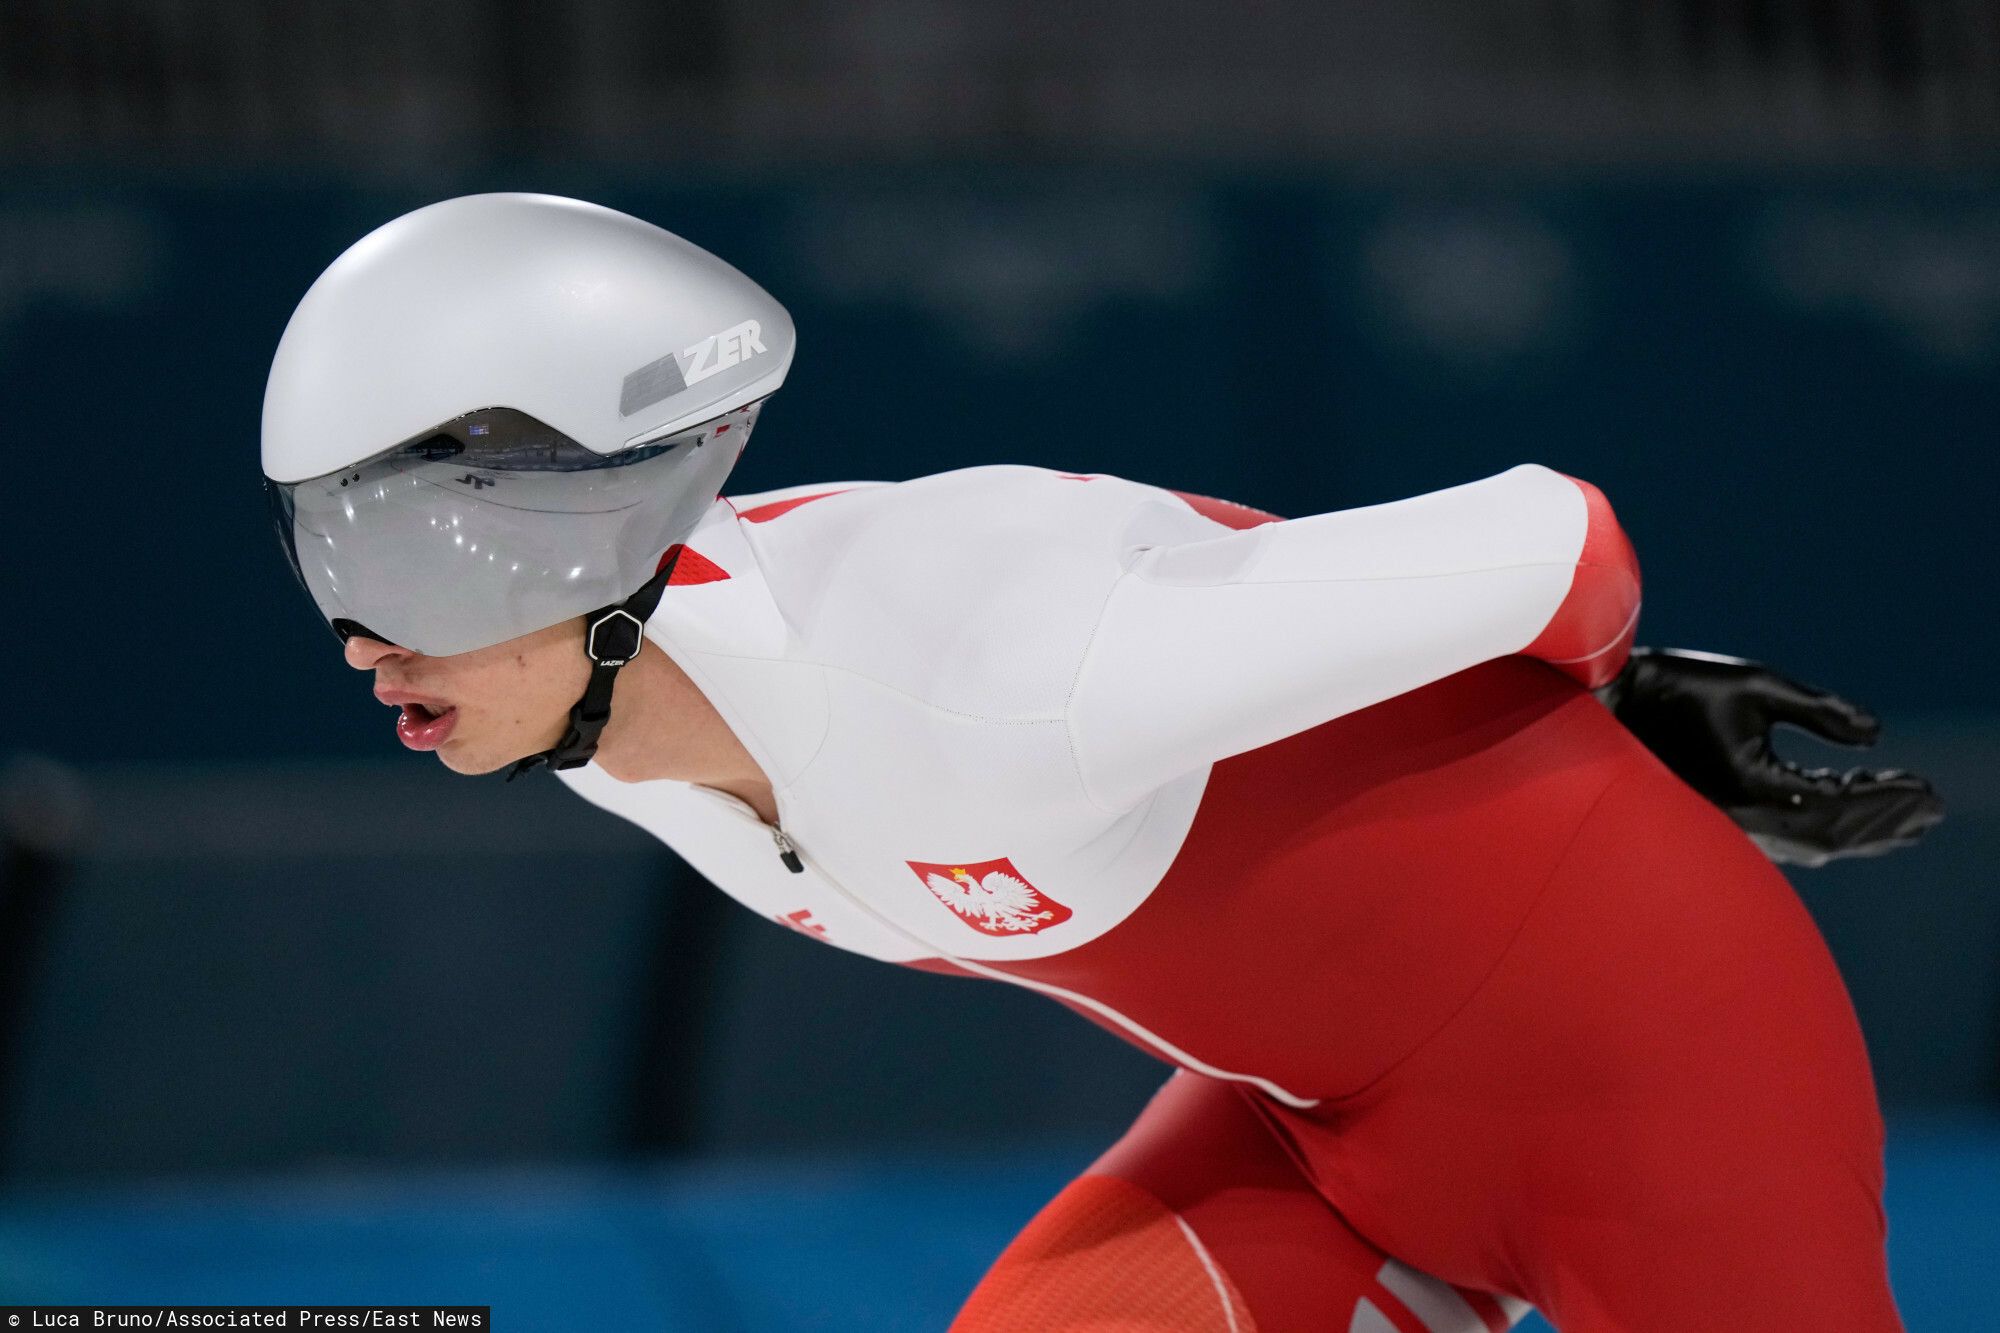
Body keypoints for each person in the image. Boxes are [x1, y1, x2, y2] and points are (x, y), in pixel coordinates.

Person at [263, 194, 1942, 1331]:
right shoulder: (589, 732)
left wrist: (1624, 705)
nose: (363, 637)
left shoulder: (989, 666)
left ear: (606, 533)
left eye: (415, 570)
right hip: (1317, 1133)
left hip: (1661, 1054)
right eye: (327, 559)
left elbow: (1550, 535)